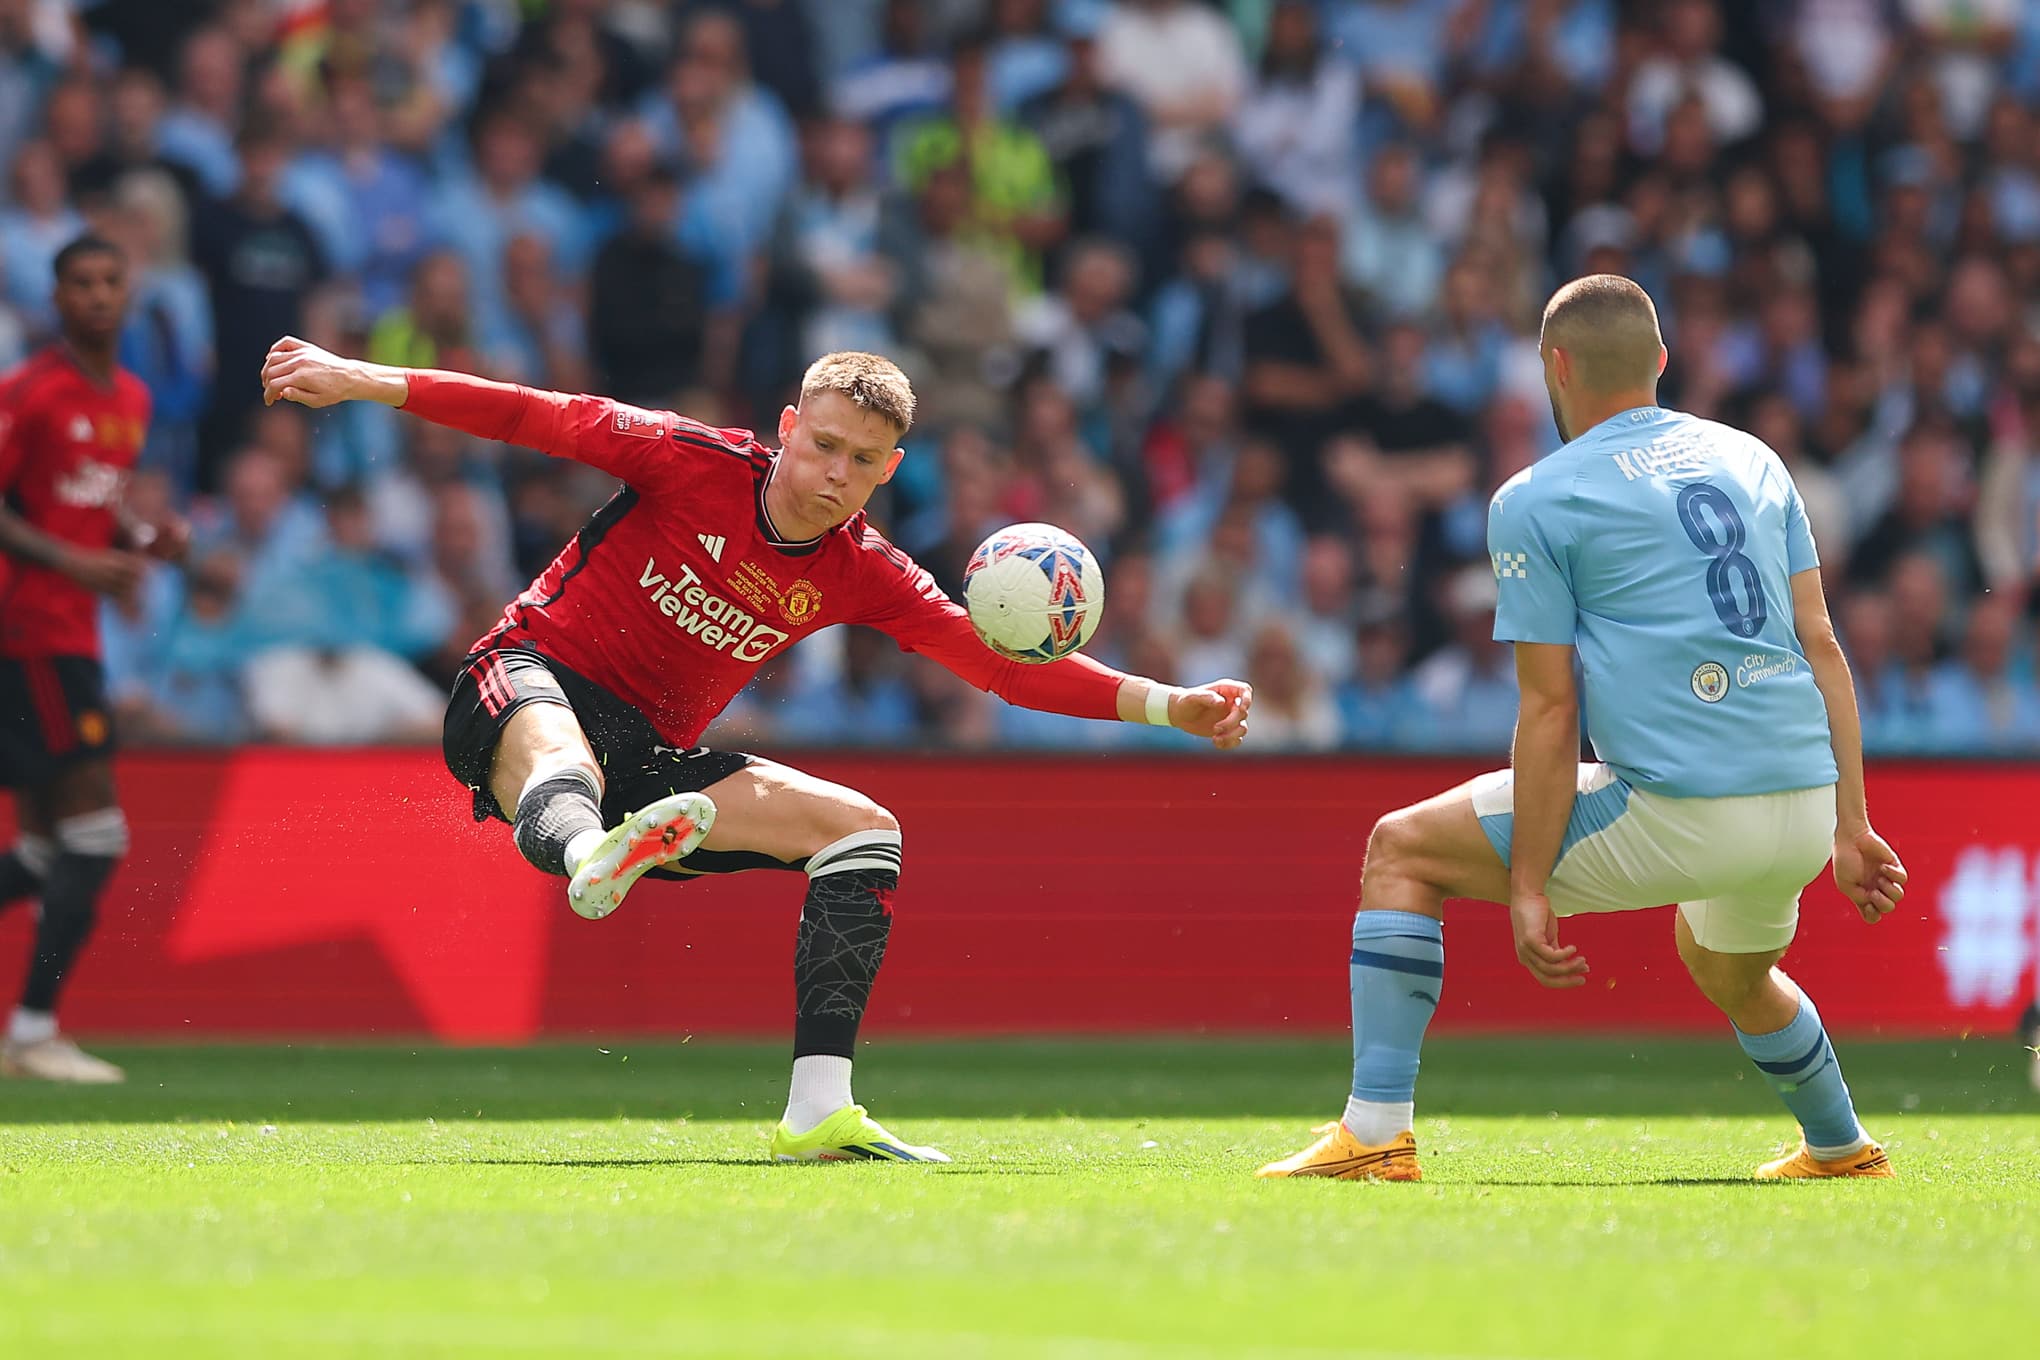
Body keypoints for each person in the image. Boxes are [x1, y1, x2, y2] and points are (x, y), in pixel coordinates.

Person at [260, 340, 1253, 1163]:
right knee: (568, 760)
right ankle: (585, 851)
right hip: (523, 678)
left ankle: (820, 1107)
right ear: (786, 427)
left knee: (865, 832)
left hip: (652, 763)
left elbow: (1001, 670)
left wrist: (1175, 706)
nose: (836, 476)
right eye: (823, 446)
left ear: (892, 469)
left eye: (863, 462)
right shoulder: (687, 458)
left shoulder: (866, 570)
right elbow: (535, 414)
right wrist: (364, 377)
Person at [1257, 275, 1908, 1183]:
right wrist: (1852, 823)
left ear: (1554, 367)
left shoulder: (1537, 497)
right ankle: (1840, 1146)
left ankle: (1374, 1131)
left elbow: (1552, 708)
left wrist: (1531, 884)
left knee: (1400, 850)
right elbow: (1824, 646)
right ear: (1663, 363)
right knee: (1727, 967)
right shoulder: (1757, 460)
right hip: (1801, 810)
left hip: (1681, 809)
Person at [0, 235, 180, 1083]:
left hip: (71, 632)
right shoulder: (30, 392)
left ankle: (32, 1032)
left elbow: (85, 509)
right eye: (83, 284)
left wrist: (142, 539)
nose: (99, 296)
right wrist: (71, 564)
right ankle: (33, 1032)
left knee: (44, 852)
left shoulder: (132, 398)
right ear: (58, 296)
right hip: (28, 630)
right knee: (97, 835)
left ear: (129, 290)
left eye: (112, 281)